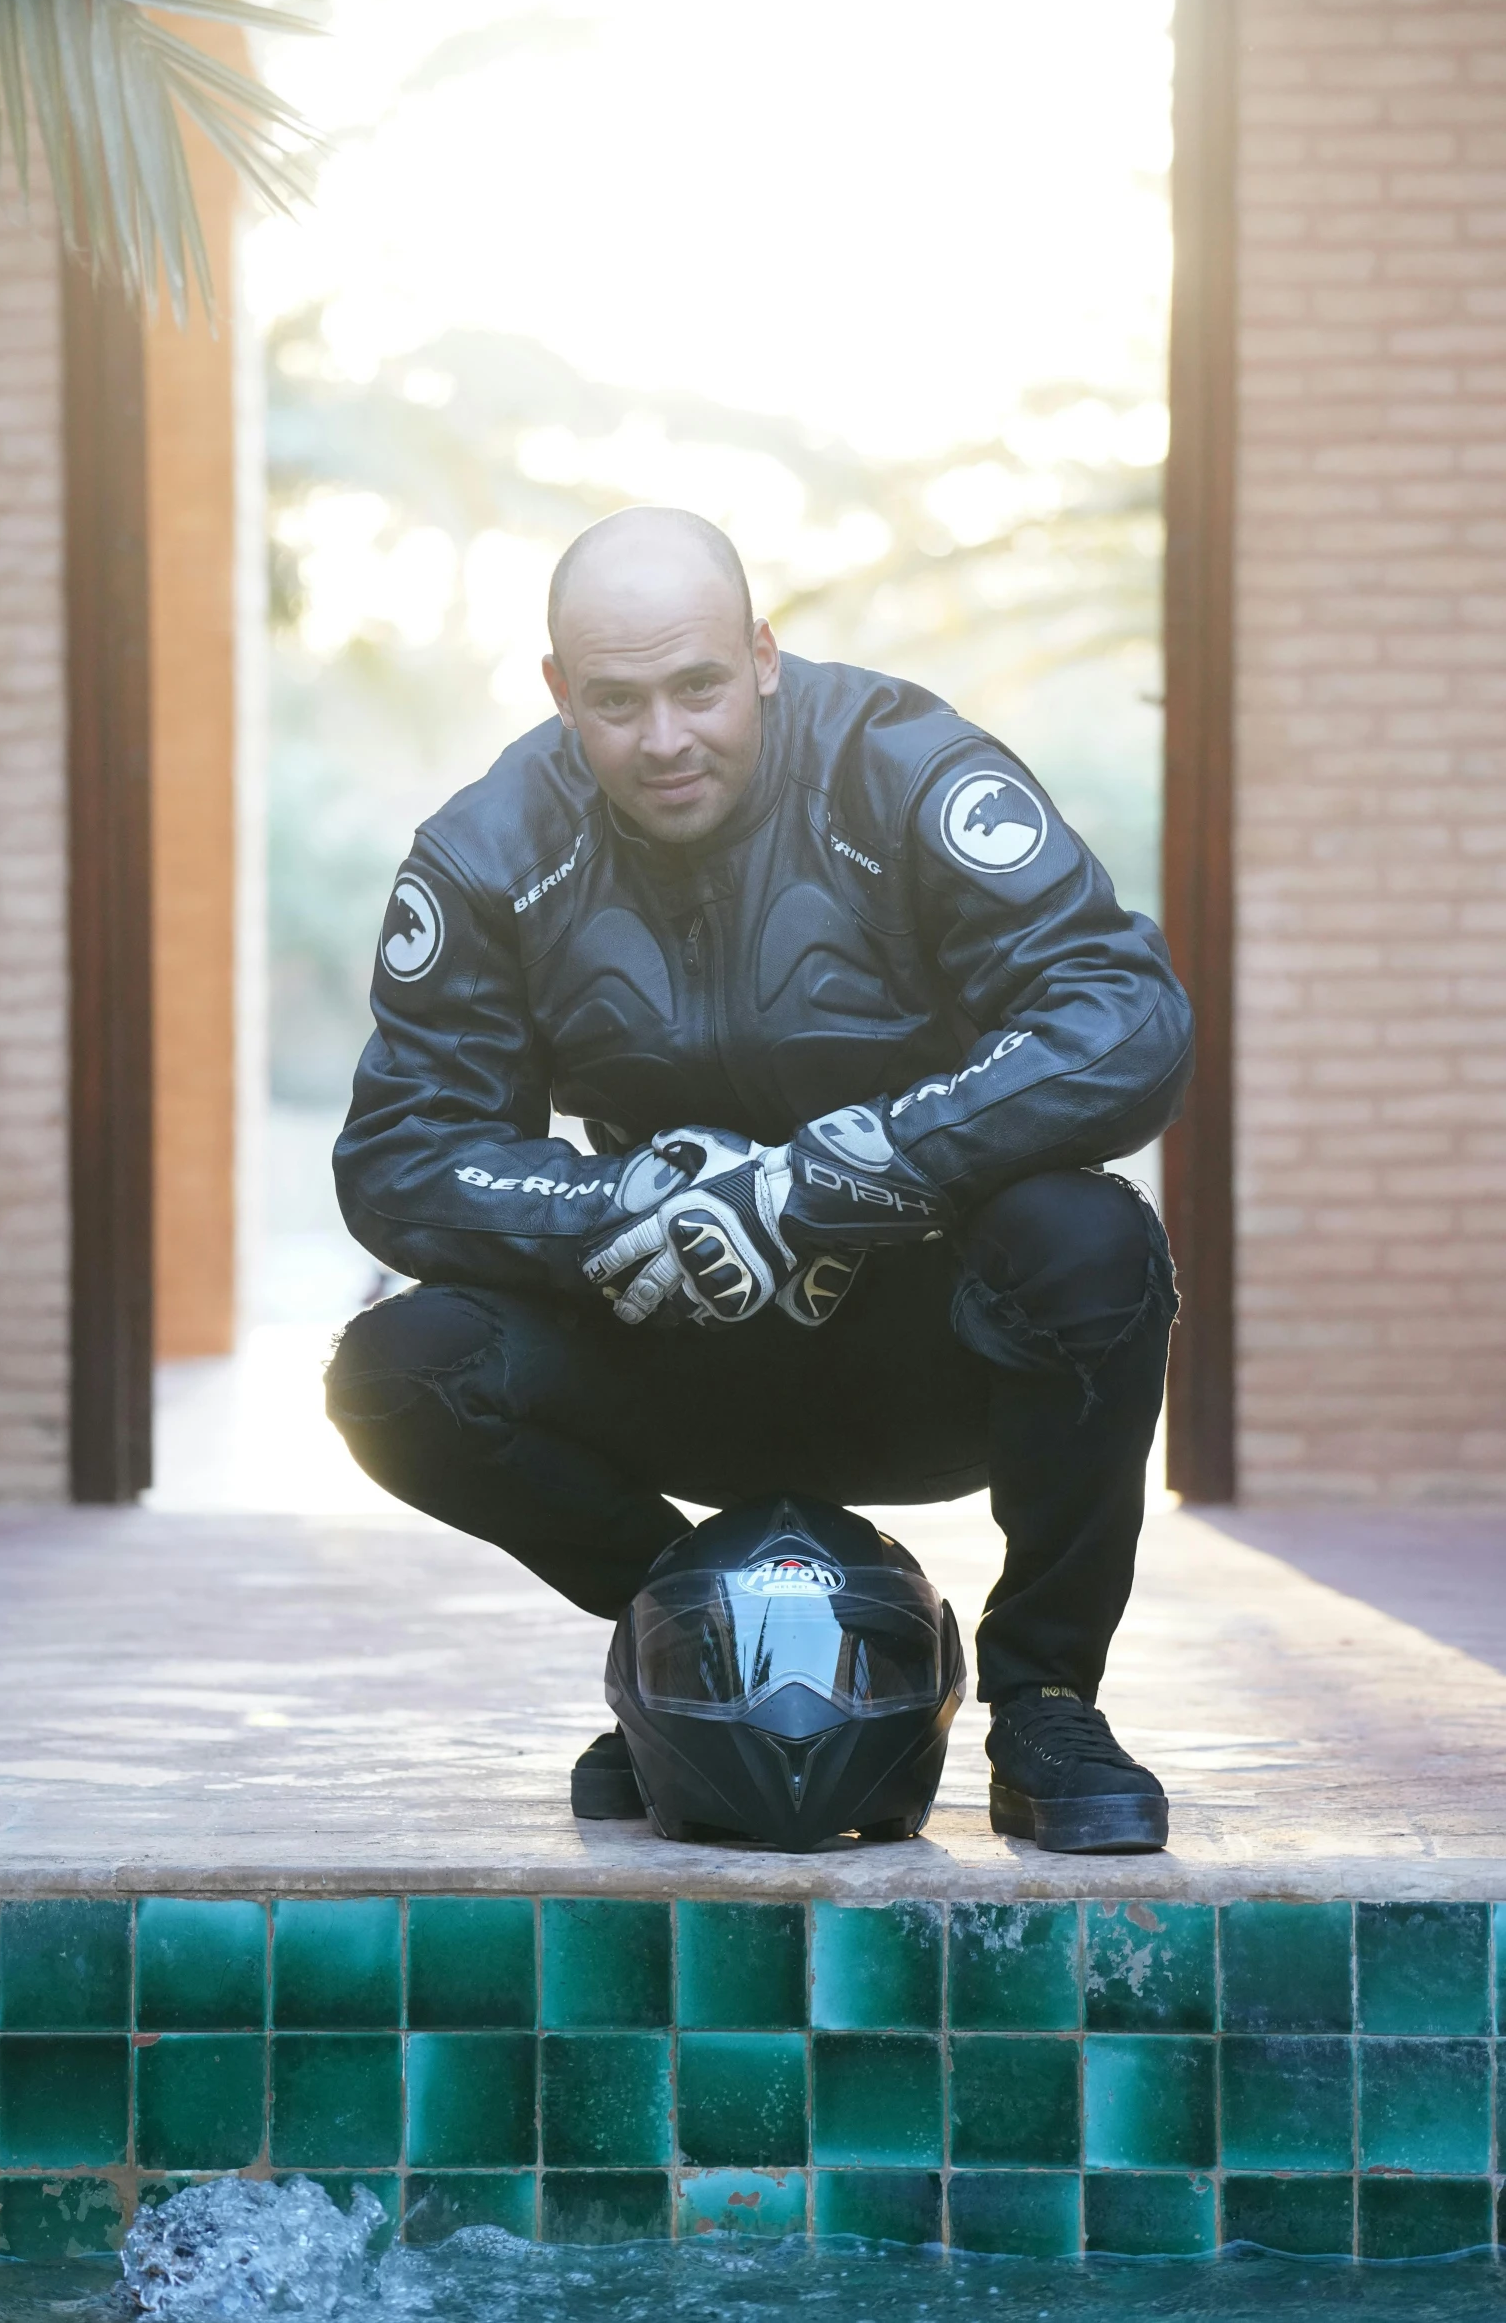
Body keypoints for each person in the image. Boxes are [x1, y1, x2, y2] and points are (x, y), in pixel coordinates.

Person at [325, 506, 1193, 1854]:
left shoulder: (901, 770)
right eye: (615, 703)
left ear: (764, 655)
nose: (664, 739)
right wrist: (624, 1208)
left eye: (698, 687)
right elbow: (401, 1157)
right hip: (672, 1337)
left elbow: (1123, 1019)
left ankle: (1043, 1699)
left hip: (923, 1348)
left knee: (1092, 1243)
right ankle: (691, 1645)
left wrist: (831, 1178)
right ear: (560, 695)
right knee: (397, 1372)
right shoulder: (489, 849)